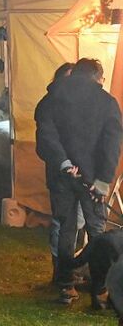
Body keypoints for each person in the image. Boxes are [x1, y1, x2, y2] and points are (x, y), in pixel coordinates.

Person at [36, 57, 123, 304]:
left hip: (62, 176)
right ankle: (99, 290)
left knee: (66, 229)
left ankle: (66, 285)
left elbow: (45, 135)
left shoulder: (51, 98)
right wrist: (104, 180)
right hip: (93, 180)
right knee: (96, 233)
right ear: (97, 76)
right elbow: (111, 144)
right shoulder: (106, 102)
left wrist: (62, 162)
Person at [35, 62, 76, 284]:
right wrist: (63, 162)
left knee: (75, 224)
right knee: (62, 223)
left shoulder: (78, 104)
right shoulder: (48, 105)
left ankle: (69, 270)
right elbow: (45, 142)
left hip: (79, 173)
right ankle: (60, 272)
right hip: (59, 174)